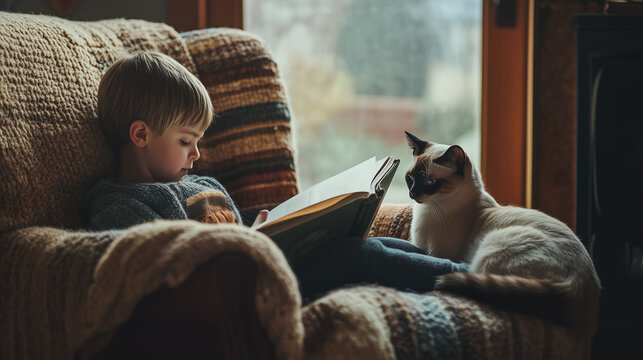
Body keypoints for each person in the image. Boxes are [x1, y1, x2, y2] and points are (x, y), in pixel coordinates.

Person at [80, 51, 469, 303]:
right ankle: (471, 282)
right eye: (186, 141)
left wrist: (271, 226)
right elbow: (150, 271)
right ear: (140, 135)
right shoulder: (119, 205)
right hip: (245, 293)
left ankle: (469, 271)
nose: (197, 154)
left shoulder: (203, 185)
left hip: (269, 265)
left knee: (376, 243)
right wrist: (247, 242)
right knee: (357, 256)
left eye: (197, 140)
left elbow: (237, 227)